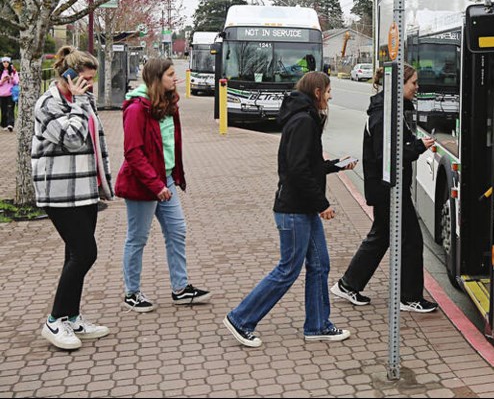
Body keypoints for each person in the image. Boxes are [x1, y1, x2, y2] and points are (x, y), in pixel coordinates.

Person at [223, 71, 356, 348]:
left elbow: (307, 165)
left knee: (320, 265)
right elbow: (297, 170)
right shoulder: (304, 121)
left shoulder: (304, 118)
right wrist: (323, 205)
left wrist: (336, 165)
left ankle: (318, 325)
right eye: (329, 91)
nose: (331, 97)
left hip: (302, 208)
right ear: (318, 92)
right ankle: (240, 318)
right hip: (295, 210)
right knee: (287, 270)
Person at [331, 64, 438, 313]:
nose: (417, 87)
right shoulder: (384, 115)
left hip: (386, 188)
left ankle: (348, 285)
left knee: (380, 237)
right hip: (389, 189)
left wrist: (414, 142)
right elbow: (387, 156)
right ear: (398, 86)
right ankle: (410, 297)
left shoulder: (393, 110)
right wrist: (418, 147)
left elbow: (395, 145)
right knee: (410, 240)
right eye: (413, 83)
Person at [32, 46, 113, 350]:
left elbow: (95, 142)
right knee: (85, 253)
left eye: (92, 80)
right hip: (58, 191)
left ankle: (72, 317)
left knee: (73, 254)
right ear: (69, 75)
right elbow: (72, 140)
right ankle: (54, 321)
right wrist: (79, 104)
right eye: (86, 79)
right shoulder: (48, 104)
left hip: (84, 189)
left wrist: (103, 184)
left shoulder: (83, 100)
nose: (90, 85)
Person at [115, 58, 211, 313]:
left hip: (164, 179)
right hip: (143, 183)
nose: (175, 78)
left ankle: (180, 288)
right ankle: (131, 293)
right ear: (157, 78)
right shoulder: (137, 109)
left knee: (177, 230)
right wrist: (156, 184)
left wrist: (171, 177)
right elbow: (133, 152)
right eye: (170, 75)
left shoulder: (167, 105)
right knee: (137, 238)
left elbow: (170, 144)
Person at [0, 57, 19, 131]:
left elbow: (16, 82)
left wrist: (11, 78)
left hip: (10, 93)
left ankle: (10, 124)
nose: (5, 63)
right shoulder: (0, 72)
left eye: (7, 62)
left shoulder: (13, 71)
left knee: (10, 109)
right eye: (4, 62)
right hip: (1, 94)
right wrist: (3, 80)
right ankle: (4, 124)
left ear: (9, 63)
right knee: (3, 110)